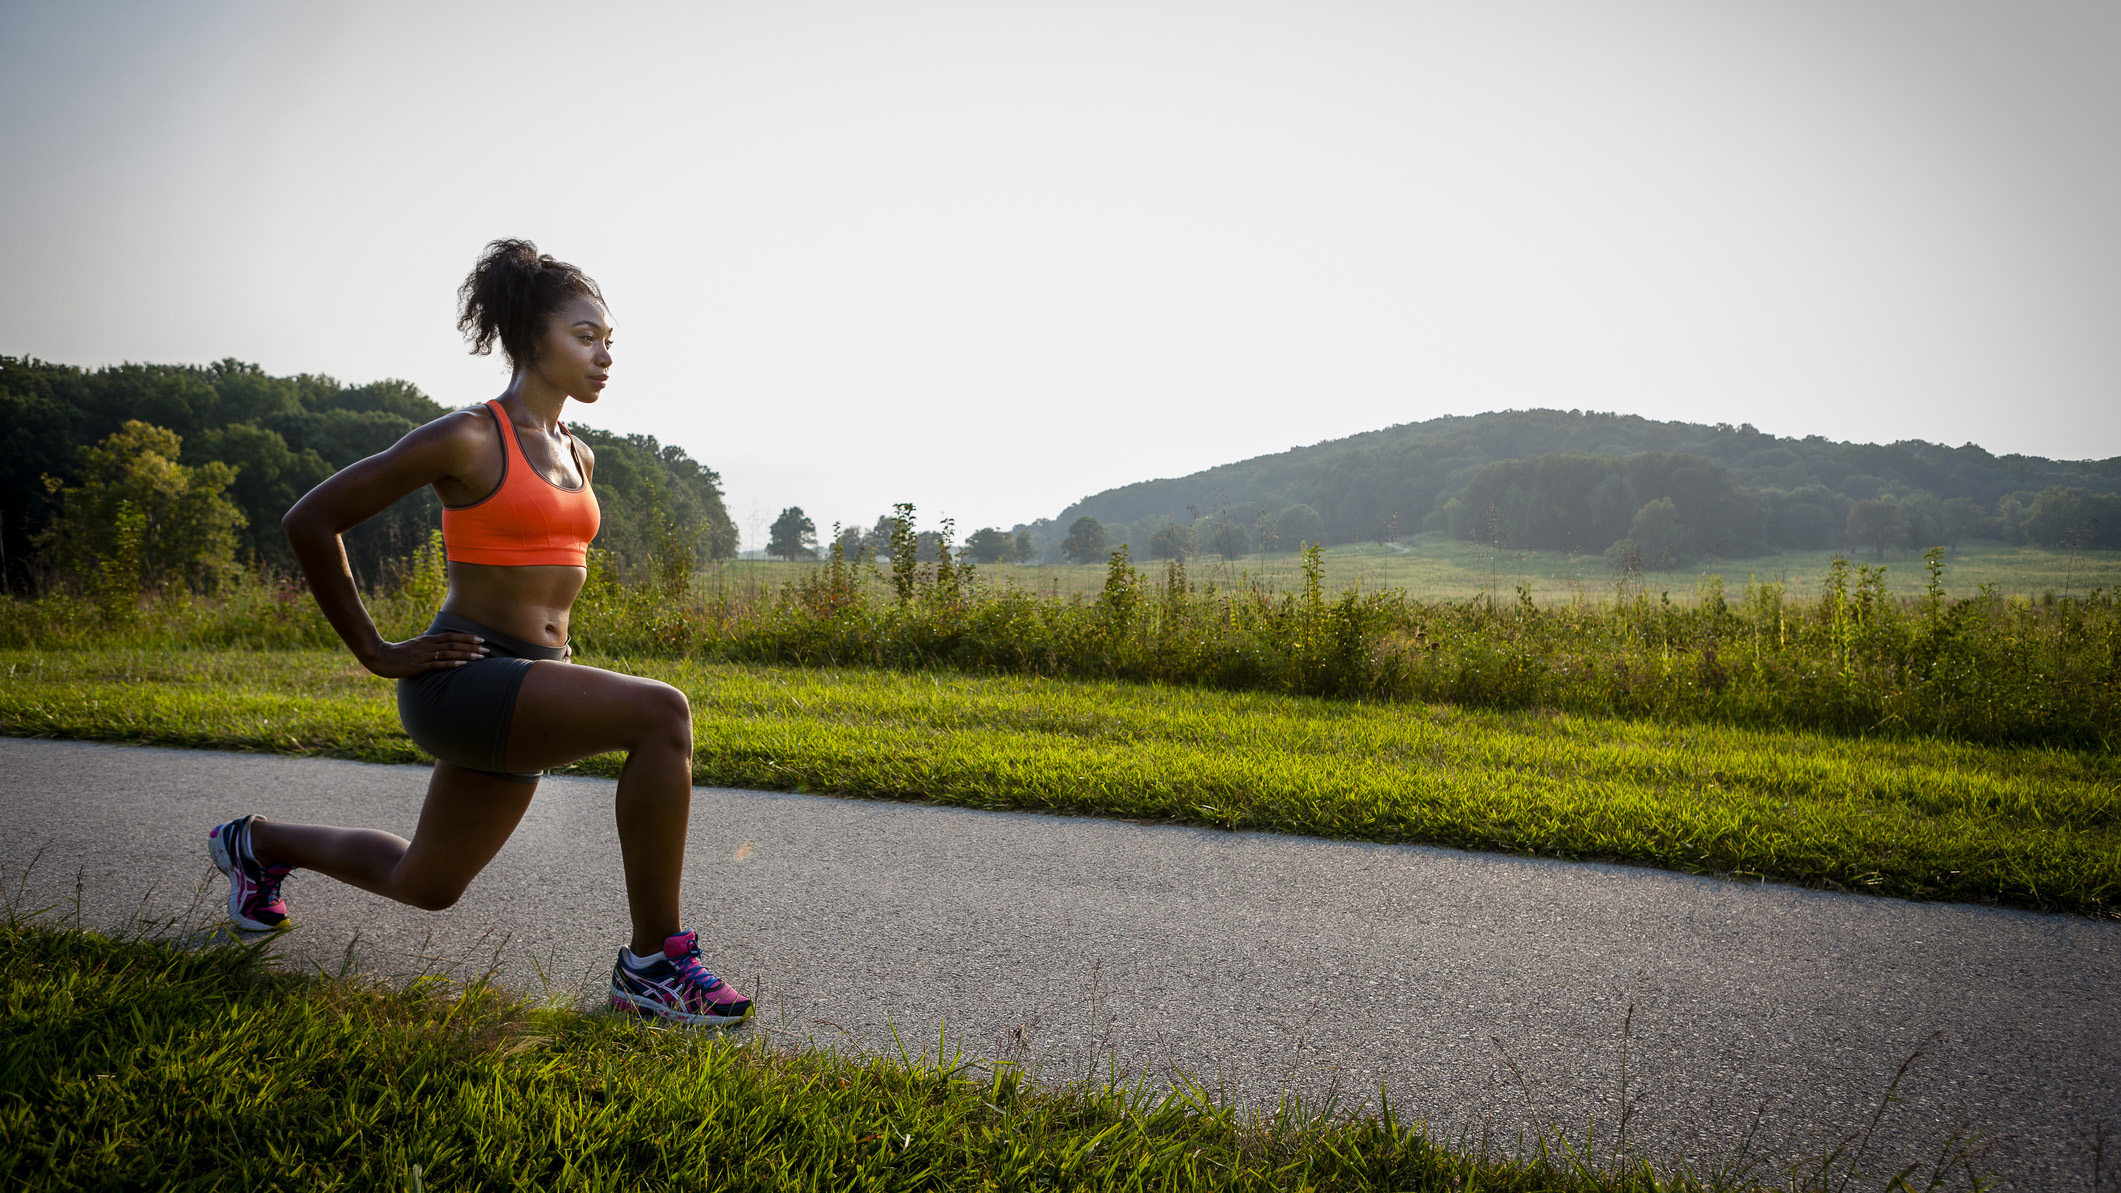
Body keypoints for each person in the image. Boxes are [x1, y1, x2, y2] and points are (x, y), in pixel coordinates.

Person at [206, 239, 750, 1026]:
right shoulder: (468, 437)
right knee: (663, 713)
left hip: (525, 683)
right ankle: (653, 965)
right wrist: (375, 649)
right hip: (464, 679)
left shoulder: (578, 453)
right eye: (585, 335)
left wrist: (561, 674)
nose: (604, 356)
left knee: (426, 882)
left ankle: (257, 842)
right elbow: (311, 519)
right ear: (533, 339)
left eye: (609, 341)